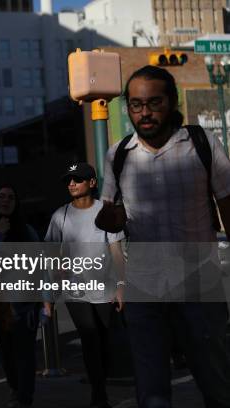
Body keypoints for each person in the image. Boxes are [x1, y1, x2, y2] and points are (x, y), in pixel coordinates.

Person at [97, 65, 230, 408]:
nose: (145, 113)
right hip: (146, 291)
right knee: (152, 393)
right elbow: (112, 218)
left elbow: (227, 206)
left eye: (154, 103)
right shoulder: (118, 155)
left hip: (199, 286)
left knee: (216, 383)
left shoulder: (202, 143)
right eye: (136, 105)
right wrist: (109, 219)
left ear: (170, 102)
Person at [45, 163, 125, 408]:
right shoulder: (60, 215)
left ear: (92, 183)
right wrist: (48, 296)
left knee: (104, 342)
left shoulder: (105, 211)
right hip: (74, 290)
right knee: (89, 337)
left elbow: (116, 251)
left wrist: (121, 284)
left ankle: (100, 386)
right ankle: (99, 397)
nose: (71, 184)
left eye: (77, 179)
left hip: (105, 288)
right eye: (69, 180)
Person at [0, 185, 48, 408]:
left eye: (11, 197)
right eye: (1, 196)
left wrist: (45, 301)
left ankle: (24, 397)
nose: (5, 200)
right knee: (6, 354)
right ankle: (15, 388)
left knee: (25, 354)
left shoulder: (26, 231)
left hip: (24, 305)